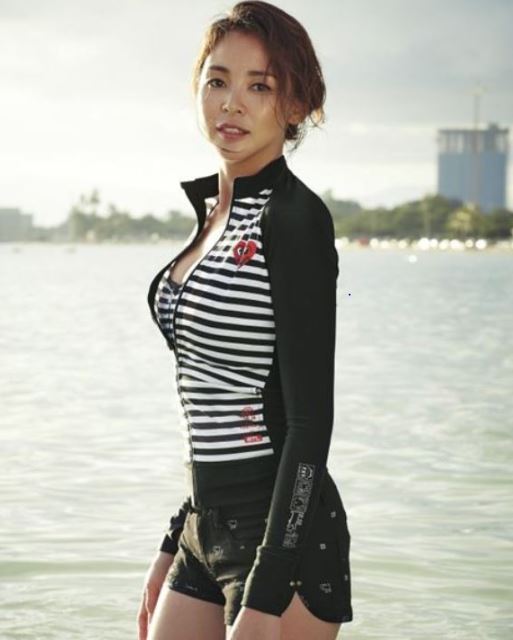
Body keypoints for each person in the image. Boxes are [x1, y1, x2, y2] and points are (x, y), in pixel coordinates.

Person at [137, 2, 353, 639]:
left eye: (259, 86)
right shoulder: (214, 216)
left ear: (296, 104)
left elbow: (309, 423)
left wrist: (267, 592)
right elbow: (214, 400)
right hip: (205, 528)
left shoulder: (294, 219)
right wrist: (175, 537)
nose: (231, 103)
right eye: (217, 81)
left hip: (283, 542)